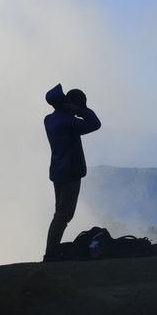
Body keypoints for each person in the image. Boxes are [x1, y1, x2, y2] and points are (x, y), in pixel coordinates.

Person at [43, 83, 101, 260]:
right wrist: (82, 110)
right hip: (70, 172)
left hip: (57, 171)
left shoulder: (49, 119)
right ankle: (51, 253)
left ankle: (51, 250)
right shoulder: (66, 121)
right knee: (64, 215)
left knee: (59, 213)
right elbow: (95, 124)